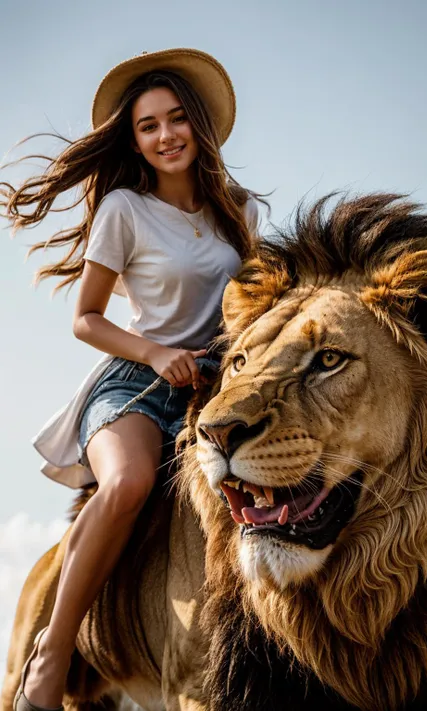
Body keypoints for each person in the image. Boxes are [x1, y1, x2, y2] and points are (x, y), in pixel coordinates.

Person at [0, 48, 261, 711]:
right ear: (134, 138)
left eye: (177, 119)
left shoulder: (239, 212)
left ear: (198, 125)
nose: (166, 135)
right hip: (135, 386)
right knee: (128, 482)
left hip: (212, 388)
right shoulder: (124, 209)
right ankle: (53, 650)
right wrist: (152, 351)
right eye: (148, 126)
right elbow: (85, 318)